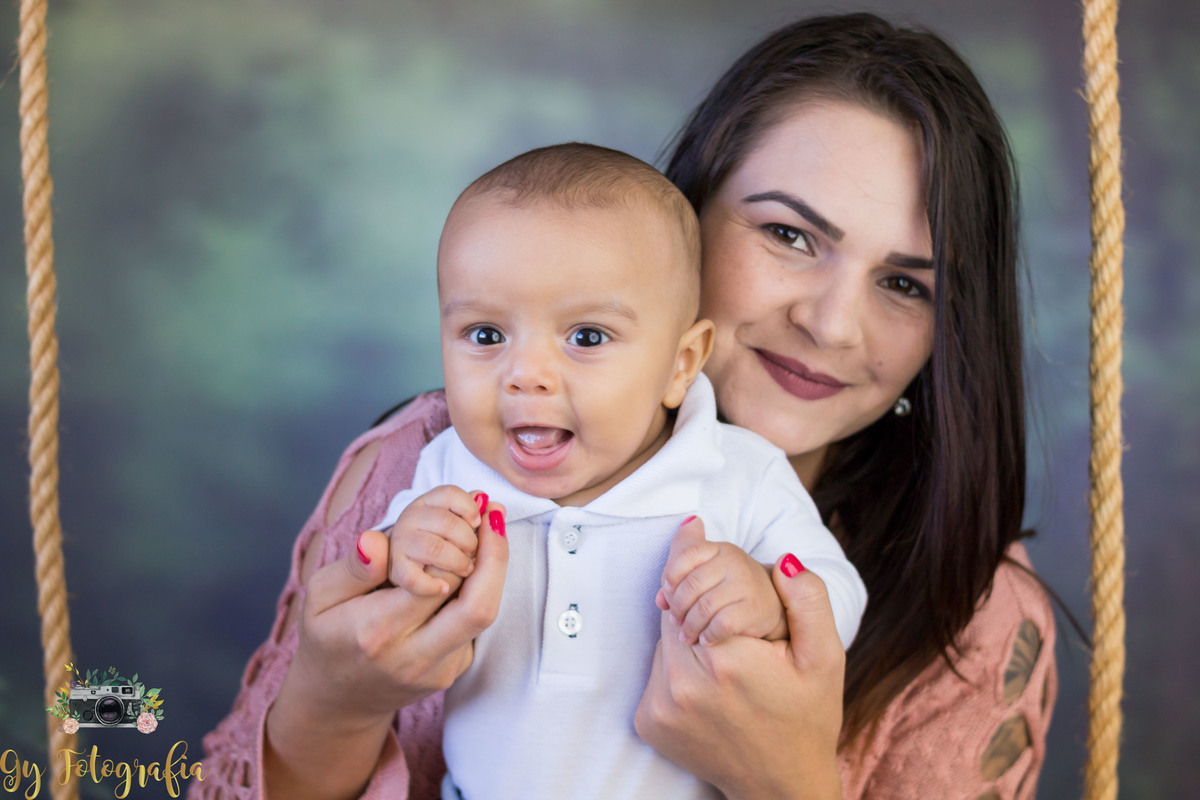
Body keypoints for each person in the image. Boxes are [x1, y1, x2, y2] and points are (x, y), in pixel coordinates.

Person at [193, 12, 1057, 800]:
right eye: (789, 235)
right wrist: (335, 703)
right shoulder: (428, 463)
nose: (831, 325)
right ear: (683, 220)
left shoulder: (975, 618)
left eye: (905, 284)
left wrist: (786, 780)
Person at [370, 142, 865, 800]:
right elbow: (377, 607)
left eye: (587, 337)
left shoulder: (734, 474)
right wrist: (410, 555)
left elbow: (838, 596)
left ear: (680, 365)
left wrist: (768, 600)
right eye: (486, 336)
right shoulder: (449, 470)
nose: (527, 376)